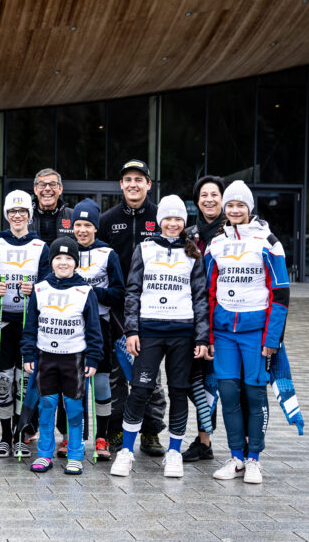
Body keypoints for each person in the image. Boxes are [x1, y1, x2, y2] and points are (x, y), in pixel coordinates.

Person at [110, 195, 209, 479]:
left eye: (178, 219)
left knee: (179, 392)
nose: (173, 223)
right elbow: (133, 291)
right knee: (140, 391)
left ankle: (174, 452)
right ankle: (126, 452)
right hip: (149, 332)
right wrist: (131, 331)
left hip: (183, 333)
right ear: (159, 221)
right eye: (168, 218)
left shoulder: (193, 253)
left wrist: (201, 338)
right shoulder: (145, 248)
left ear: (184, 222)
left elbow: (200, 297)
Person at [205, 181, 290, 484]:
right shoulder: (216, 244)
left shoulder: (268, 241)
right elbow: (208, 293)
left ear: (250, 207)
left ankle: (254, 458)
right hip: (225, 332)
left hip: (256, 333)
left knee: (254, 395)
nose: (235, 210)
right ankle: (236, 457)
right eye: (230, 205)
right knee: (228, 393)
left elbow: (280, 293)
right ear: (224, 209)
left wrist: (272, 339)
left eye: (241, 205)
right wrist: (210, 338)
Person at [97, 159, 167, 457]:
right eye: (128, 179)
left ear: (149, 184)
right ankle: (115, 431)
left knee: (150, 372)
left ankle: (151, 432)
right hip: (117, 310)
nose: (133, 184)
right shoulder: (108, 219)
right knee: (115, 373)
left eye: (139, 179)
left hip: (154, 308)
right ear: (121, 185)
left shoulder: (162, 217)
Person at [21, 237, 103, 475]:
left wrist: (93, 359)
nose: (63, 262)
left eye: (69, 258)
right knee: (47, 406)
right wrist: (28, 353)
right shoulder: (40, 288)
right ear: (51, 261)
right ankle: (44, 454)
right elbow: (31, 326)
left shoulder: (85, 291)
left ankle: (76, 454)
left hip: (74, 359)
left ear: (76, 262)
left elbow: (94, 329)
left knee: (74, 408)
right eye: (58, 258)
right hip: (46, 357)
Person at [0, 190, 49, 458]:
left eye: (22, 212)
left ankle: (22, 433)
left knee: (24, 381)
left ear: (29, 215)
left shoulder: (40, 246)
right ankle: (4, 434)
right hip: (3, 322)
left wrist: (37, 289)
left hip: (29, 325)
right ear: (7, 215)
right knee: (3, 380)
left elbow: (48, 282)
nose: (17, 216)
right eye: (12, 212)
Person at [69, 198, 125, 461]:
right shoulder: (65, 250)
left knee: (101, 383)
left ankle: (101, 437)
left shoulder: (107, 253)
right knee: (74, 385)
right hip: (69, 328)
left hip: (100, 326)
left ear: (95, 228)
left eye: (87, 225)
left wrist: (92, 292)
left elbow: (119, 293)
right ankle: (76, 436)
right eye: (78, 225)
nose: (82, 230)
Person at [182, 175, 226, 463]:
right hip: (189, 318)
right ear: (197, 201)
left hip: (222, 319)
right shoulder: (189, 234)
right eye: (204, 195)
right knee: (189, 380)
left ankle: (204, 441)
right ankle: (203, 436)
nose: (209, 199)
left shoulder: (233, 232)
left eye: (215, 194)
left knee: (213, 382)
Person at [27, 169, 74, 242]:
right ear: (35, 189)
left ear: (60, 189)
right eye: (42, 185)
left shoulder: (73, 216)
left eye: (52, 184)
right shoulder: (25, 216)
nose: (47, 188)